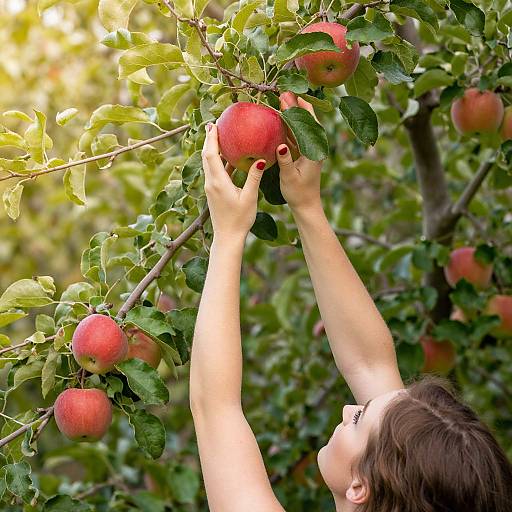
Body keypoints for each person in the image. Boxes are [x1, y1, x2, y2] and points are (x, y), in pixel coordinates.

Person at [189, 95, 512, 512]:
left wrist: (229, 236)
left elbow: (215, 409)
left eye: (358, 419)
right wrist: (307, 206)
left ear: (361, 487)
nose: (347, 408)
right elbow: (370, 365)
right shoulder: (395, 468)